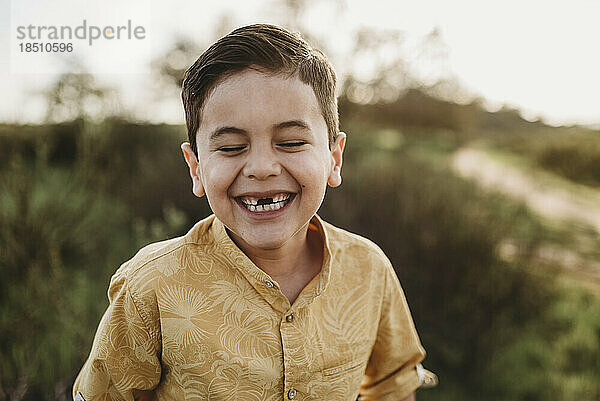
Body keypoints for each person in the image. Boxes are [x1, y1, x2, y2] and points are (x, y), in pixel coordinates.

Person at [73, 23, 436, 401]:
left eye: (292, 142)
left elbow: (395, 385)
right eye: (230, 147)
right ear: (195, 167)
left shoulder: (368, 270)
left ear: (334, 157)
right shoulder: (151, 287)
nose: (261, 167)